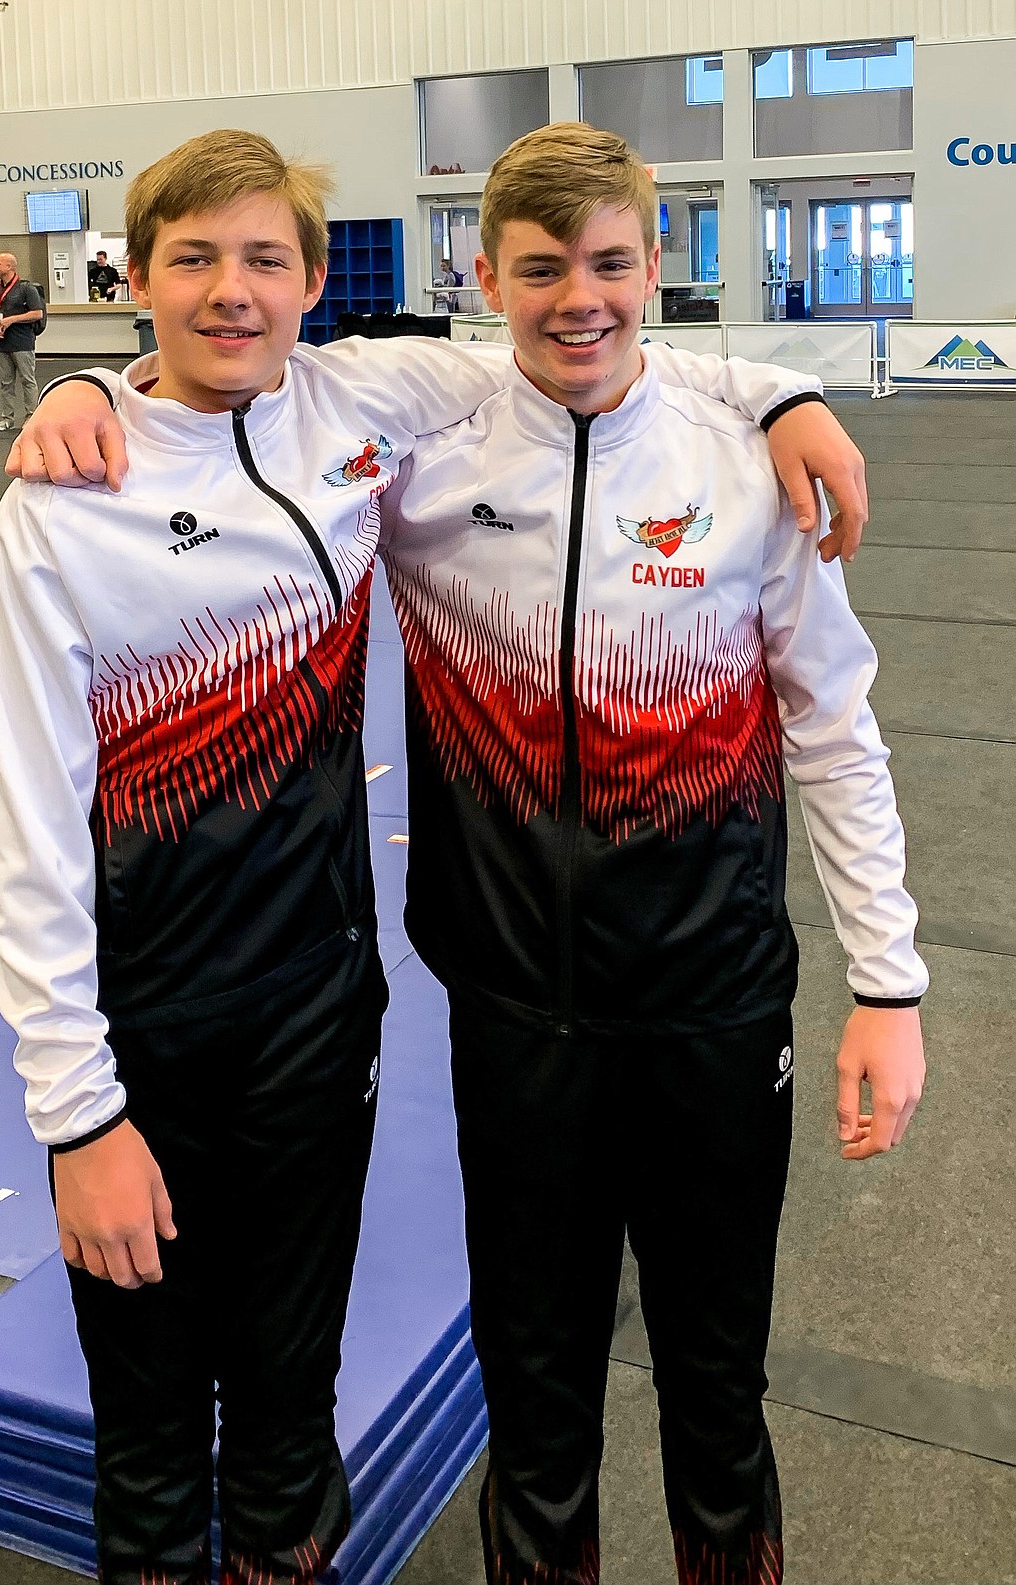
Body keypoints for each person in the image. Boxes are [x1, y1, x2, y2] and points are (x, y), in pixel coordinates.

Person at [0, 129, 874, 1585]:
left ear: (309, 282)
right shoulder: (68, 499)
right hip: (155, 1026)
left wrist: (780, 391)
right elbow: (24, 825)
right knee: (153, 1433)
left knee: (291, 1416)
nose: (232, 291)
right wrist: (73, 1110)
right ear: (134, 278)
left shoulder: (359, 405)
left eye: (265, 259)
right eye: (193, 260)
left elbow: (589, 358)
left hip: (330, 1013)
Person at [375, 123, 927, 1585]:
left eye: (611, 262)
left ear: (657, 265)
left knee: (717, 1394)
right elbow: (233, 396)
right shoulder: (419, 464)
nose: (581, 299)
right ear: (480, 274)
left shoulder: (743, 466)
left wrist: (889, 982)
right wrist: (98, 395)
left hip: (714, 1009)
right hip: (514, 1018)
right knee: (536, 1405)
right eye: (542, 268)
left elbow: (832, 729)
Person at [0, 252, 43, 431]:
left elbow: (37, 313)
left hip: (22, 342)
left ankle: (31, 416)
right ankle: (7, 418)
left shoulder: (27, 288)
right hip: (2, 343)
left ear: (9, 267)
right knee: (6, 382)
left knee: (27, 380)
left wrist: (12, 319)